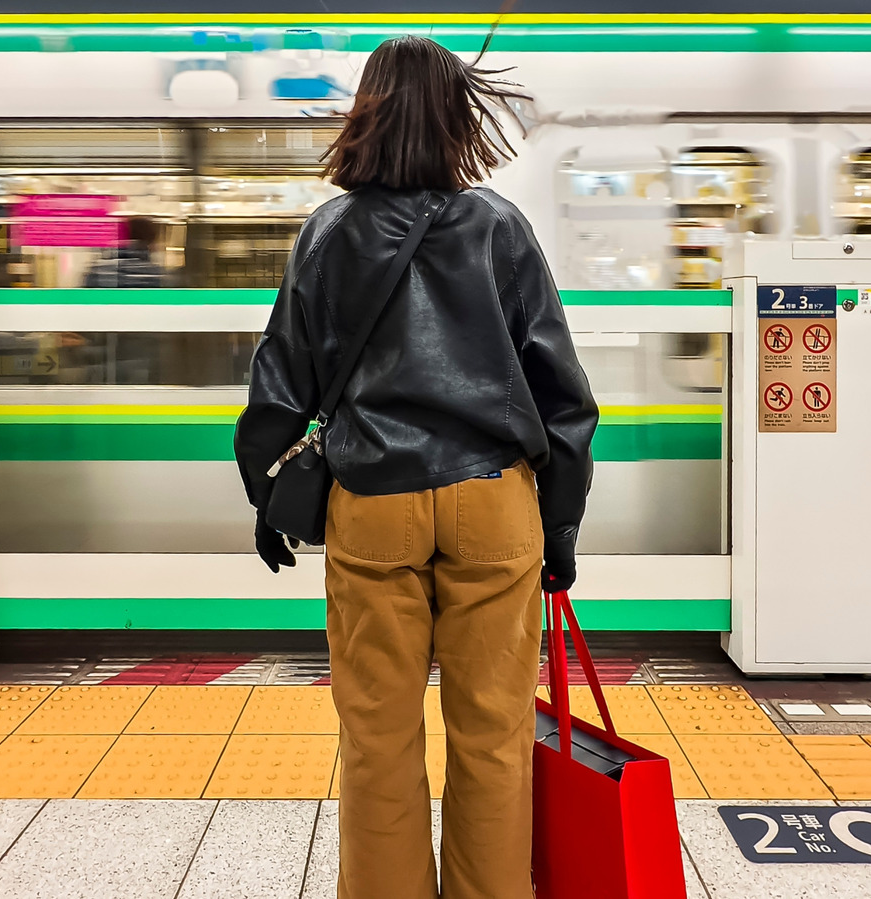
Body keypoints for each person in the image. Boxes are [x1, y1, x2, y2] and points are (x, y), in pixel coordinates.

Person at [233, 35, 598, 899]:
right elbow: (564, 396)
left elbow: (279, 381)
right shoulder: (500, 228)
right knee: (494, 737)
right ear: (455, 115)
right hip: (493, 501)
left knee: (379, 741)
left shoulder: (328, 232)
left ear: (368, 112)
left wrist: (266, 493)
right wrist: (561, 526)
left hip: (373, 502)